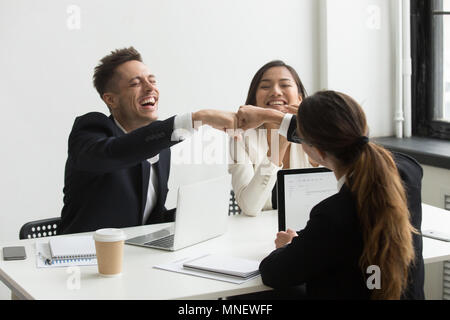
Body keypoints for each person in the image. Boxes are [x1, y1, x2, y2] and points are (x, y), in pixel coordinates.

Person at [236, 91, 425, 299]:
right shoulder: (409, 173)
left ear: (316, 152)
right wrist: (273, 117)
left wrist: (291, 245)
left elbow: (273, 273)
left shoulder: (332, 215)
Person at [59, 47, 237, 234]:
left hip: (135, 255)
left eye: (152, 81)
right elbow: (115, 152)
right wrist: (198, 118)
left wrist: (193, 212)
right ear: (111, 100)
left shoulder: (161, 146)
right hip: (84, 254)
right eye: (135, 83)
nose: (150, 87)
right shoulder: (92, 128)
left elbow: (149, 219)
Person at [228, 60, 314, 216]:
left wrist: (297, 125)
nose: (275, 92)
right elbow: (250, 207)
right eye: (265, 86)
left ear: (300, 98)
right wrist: (281, 142)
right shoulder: (241, 138)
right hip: (260, 232)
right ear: (254, 101)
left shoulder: (316, 130)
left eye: (285, 85)